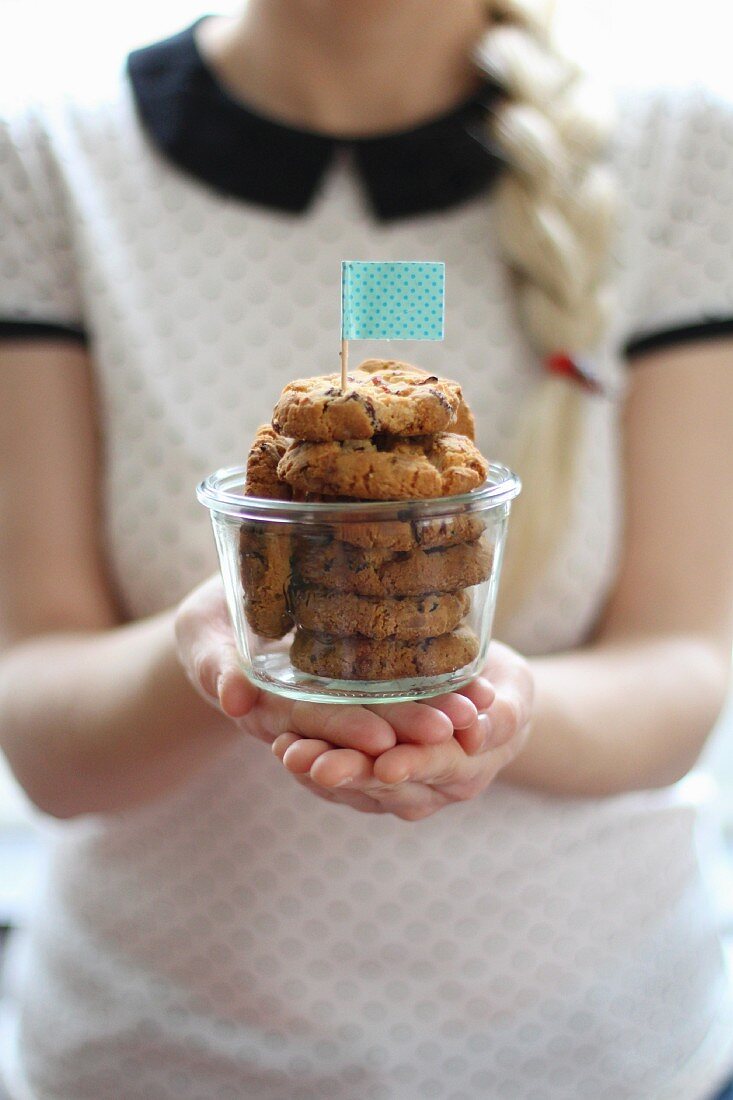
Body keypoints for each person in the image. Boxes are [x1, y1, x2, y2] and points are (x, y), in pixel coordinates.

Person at [0, 1, 732, 1096]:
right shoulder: (49, 154)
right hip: (152, 1050)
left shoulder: (677, 145)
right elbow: (39, 729)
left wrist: (491, 710)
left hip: (594, 1047)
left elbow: (685, 660)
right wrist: (218, 648)